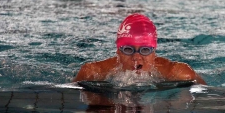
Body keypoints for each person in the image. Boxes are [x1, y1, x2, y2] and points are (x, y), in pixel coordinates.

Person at [73, 13, 206, 85]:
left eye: (145, 50)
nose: (136, 57)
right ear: (118, 51)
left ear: (154, 52)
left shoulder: (180, 73)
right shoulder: (92, 73)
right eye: (128, 50)